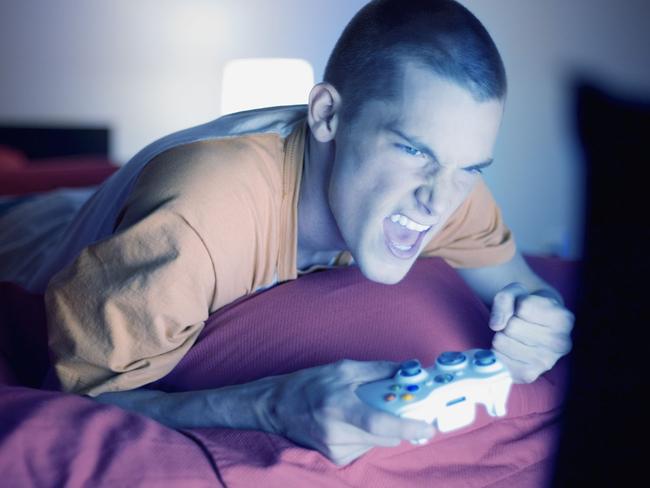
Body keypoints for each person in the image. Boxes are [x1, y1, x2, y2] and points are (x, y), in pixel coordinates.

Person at [35, 0, 574, 467]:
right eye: (413, 150)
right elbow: (80, 403)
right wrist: (270, 405)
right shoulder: (197, 221)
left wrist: (543, 321)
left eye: (471, 167)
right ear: (327, 115)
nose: (438, 199)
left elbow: (526, 290)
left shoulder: (451, 191)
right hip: (28, 229)